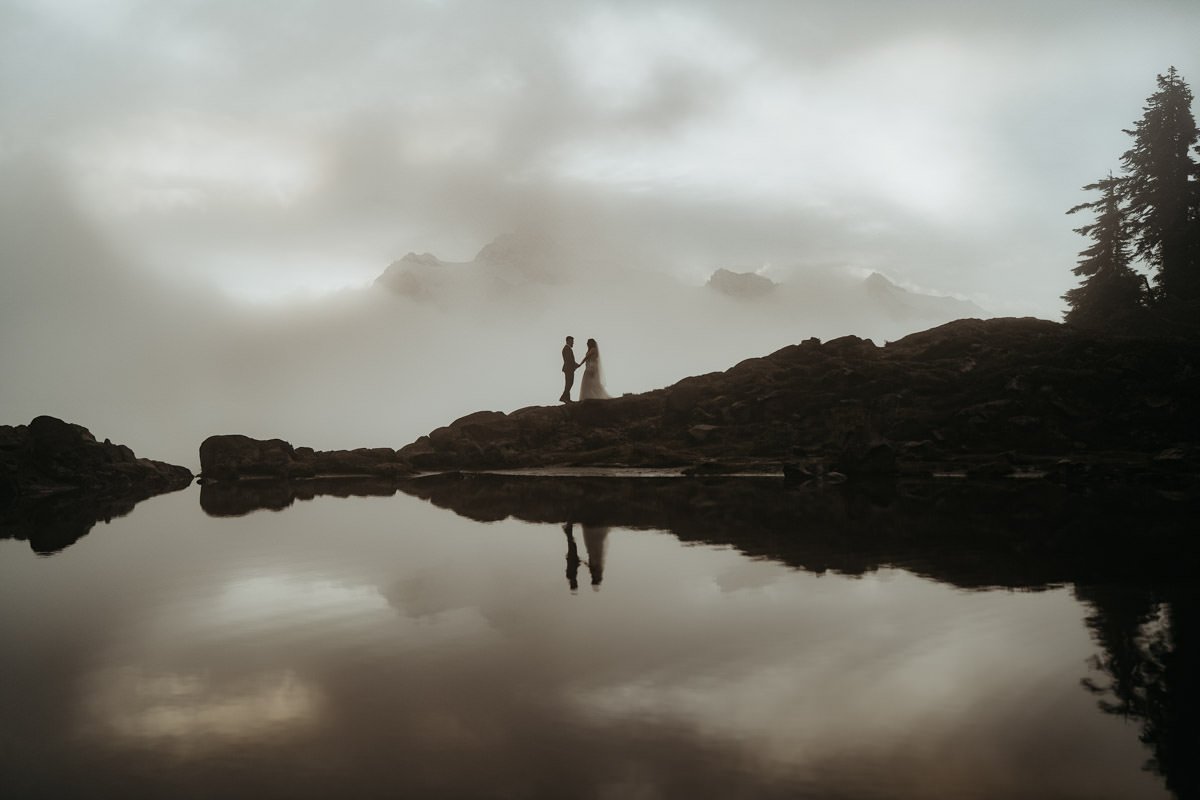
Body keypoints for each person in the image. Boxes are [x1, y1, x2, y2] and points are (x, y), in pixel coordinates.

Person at [560, 336, 579, 403]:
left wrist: (575, 365)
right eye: (572, 341)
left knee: (569, 383)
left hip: (569, 368)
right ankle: (563, 398)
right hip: (568, 369)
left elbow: (570, 360)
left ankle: (567, 399)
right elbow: (569, 360)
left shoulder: (567, 348)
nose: (573, 343)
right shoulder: (567, 349)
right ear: (568, 341)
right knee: (569, 383)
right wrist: (575, 365)